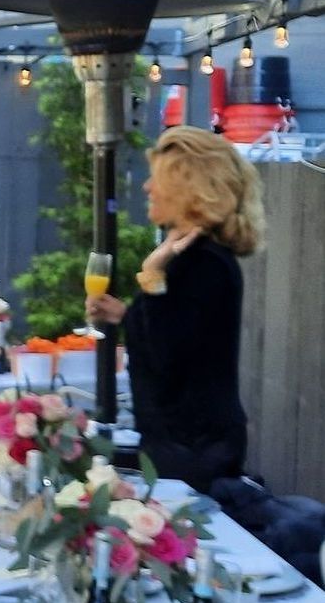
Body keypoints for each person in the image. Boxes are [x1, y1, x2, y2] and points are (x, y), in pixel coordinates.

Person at [86, 125, 264, 491]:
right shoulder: (193, 257)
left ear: (189, 190)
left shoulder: (204, 263)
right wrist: (126, 315)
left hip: (195, 450)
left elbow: (166, 355)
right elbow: (178, 332)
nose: (147, 187)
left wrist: (151, 273)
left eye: (157, 179)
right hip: (185, 445)